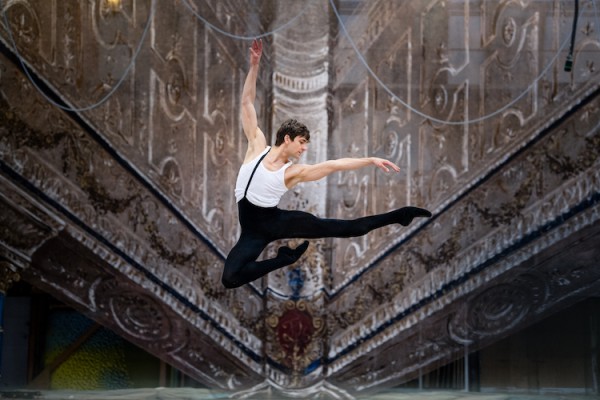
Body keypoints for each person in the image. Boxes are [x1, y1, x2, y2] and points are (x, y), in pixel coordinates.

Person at [221, 39, 431, 289]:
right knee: (230, 278)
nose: (304, 148)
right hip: (252, 232)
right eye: (301, 142)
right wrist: (254, 65)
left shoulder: (292, 172)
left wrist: (370, 160)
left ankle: (400, 215)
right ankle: (284, 259)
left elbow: (334, 165)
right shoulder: (256, 144)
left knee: (347, 229)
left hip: (276, 221)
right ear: (286, 138)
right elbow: (246, 103)